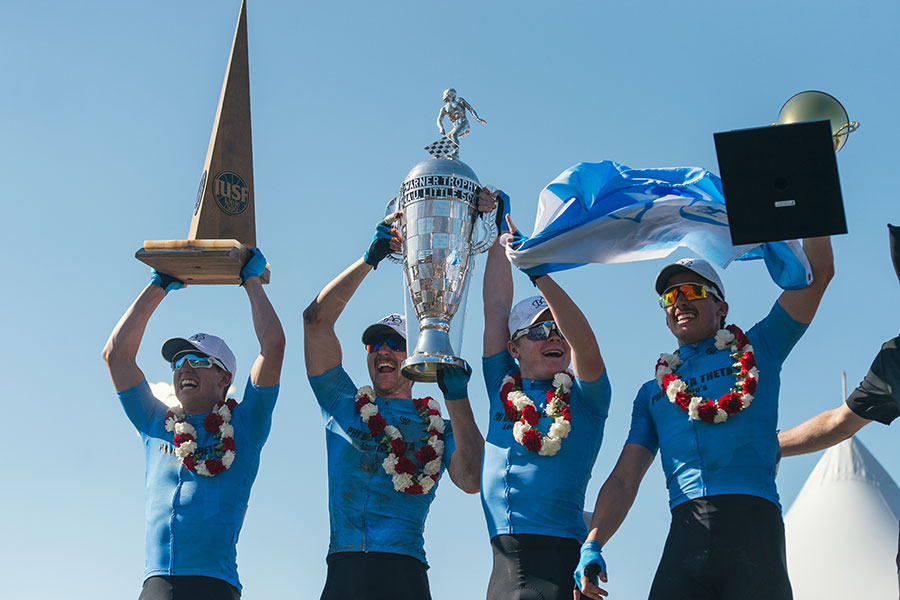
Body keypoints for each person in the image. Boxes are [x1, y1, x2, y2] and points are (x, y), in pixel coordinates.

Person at [575, 238, 833, 600]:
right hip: (687, 537)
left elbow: (818, 277)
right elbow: (623, 479)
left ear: (721, 307)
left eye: (692, 290)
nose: (679, 301)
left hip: (754, 533)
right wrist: (593, 543)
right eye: (669, 297)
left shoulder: (762, 346)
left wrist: (808, 206)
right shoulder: (653, 392)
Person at [302, 213, 484, 600]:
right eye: (375, 344)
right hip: (343, 567)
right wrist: (370, 260)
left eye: (395, 344)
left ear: (415, 356)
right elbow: (315, 322)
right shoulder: (342, 402)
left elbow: (471, 481)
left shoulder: (439, 427)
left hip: (404, 571)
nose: (383, 350)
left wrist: (458, 399)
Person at [102, 248, 285, 600]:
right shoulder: (156, 421)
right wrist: (158, 286)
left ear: (224, 376)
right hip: (156, 586)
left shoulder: (247, 423)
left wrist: (251, 282)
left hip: (214, 586)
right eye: (178, 362)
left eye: (197, 359)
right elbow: (116, 356)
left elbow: (273, 347)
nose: (183, 368)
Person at [478, 190, 611, 600]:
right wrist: (503, 230)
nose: (552, 336)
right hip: (504, 571)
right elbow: (496, 309)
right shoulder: (502, 383)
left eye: (557, 330)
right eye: (537, 331)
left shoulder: (587, 397)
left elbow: (586, 346)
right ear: (513, 349)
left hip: (562, 569)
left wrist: (537, 272)